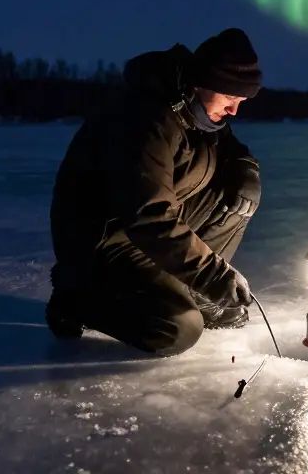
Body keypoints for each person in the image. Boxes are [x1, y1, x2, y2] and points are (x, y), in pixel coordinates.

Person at [44, 28, 264, 357]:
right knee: (177, 329)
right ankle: (76, 298)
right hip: (106, 241)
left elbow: (232, 148)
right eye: (230, 98)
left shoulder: (199, 113)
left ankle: (189, 289)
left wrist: (246, 169)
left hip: (147, 229)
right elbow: (148, 216)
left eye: (241, 101)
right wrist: (213, 274)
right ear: (202, 83)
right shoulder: (147, 117)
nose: (234, 110)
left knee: (239, 193)